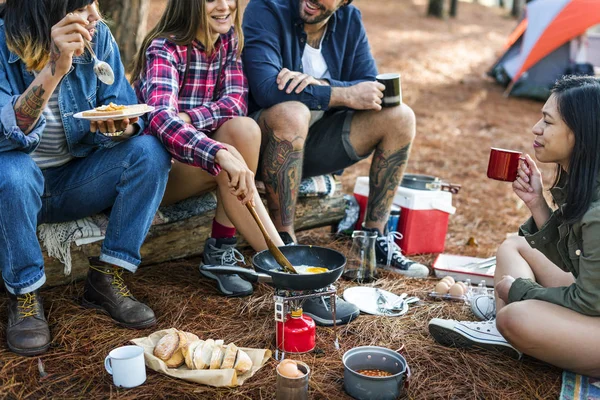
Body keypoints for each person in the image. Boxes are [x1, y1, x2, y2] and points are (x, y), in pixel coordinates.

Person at [0, 0, 171, 356]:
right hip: (14, 186)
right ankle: (25, 294)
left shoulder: (98, 36)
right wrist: (54, 67)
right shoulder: (3, 44)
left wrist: (120, 129)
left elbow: (124, 107)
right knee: (12, 171)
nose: (96, 14)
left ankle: (107, 276)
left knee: (149, 152)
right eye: (81, 5)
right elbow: (4, 137)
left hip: (75, 180)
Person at [242, 0, 429, 325]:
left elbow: (371, 89)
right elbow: (266, 87)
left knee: (401, 117)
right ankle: (286, 248)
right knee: (291, 110)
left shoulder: (349, 20)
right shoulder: (266, 8)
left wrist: (322, 87)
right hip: (265, 143)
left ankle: (375, 239)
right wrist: (342, 95)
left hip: (316, 145)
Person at [429, 75, 600, 377]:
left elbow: (587, 300)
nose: (536, 128)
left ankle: (505, 326)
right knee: (515, 246)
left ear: (579, 134)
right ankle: (502, 328)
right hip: (593, 303)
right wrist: (536, 203)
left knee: (515, 318)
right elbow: (575, 264)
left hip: (593, 312)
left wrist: (520, 290)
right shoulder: (587, 184)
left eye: (548, 122)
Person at [131, 0, 285, 298]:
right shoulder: (163, 49)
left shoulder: (227, 40)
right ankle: (288, 270)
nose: (225, 6)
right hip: (159, 171)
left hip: (199, 158)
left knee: (244, 128)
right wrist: (217, 152)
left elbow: (236, 102)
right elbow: (161, 118)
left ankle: (221, 248)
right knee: (228, 150)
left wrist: (190, 118)